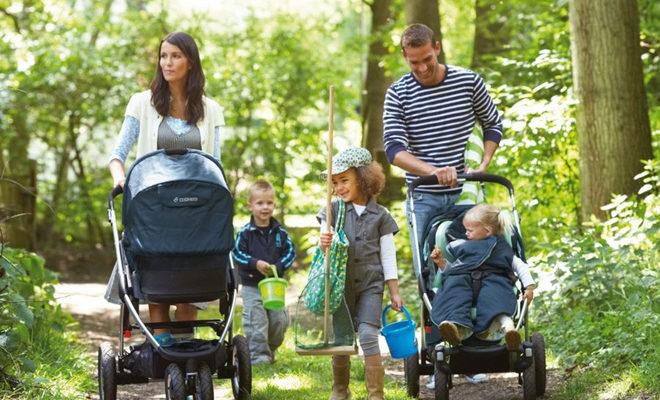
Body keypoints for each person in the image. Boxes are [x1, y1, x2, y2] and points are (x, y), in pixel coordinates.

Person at [106, 31, 225, 346]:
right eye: (163, 56)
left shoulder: (211, 109)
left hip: (195, 214)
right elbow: (117, 155)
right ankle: (163, 350)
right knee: (158, 287)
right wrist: (121, 179)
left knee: (190, 290)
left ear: (190, 62)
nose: (167, 63)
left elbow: (215, 165)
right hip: (154, 212)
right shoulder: (141, 103)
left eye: (175, 56)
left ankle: (185, 358)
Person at [382, 23, 504, 279]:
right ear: (405, 56)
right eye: (414, 62)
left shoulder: (468, 81)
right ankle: (434, 319)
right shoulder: (397, 94)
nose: (422, 68)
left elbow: (493, 123)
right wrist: (434, 171)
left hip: (467, 192)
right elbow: (394, 150)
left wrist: (484, 164)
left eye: (427, 59)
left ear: (437, 48)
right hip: (424, 197)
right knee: (428, 269)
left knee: (479, 261)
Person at [318, 147, 402, 400]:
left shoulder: (382, 216)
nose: (338, 187)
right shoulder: (332, 210)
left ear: (364, 179)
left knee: (367, 335)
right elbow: (322, 243)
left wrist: (395, 291)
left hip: (370, 286)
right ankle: (340, 389)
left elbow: (388, 256)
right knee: (342, 339)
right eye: (335, 182)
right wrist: (323, 242)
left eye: (344, 180)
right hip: (340, 286)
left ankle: (376, 394)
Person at [429, 204, 536, 351]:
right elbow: (454, 270)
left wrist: (529, 287)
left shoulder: (501, 246)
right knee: (454, 293)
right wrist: (441, 262)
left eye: (470, 230)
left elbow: (520, 266)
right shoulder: (463, 245)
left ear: (487, 231)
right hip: (463, 279)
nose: (465, 233)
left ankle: (507, 327)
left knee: (495, 297)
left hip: (493, 278)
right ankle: (455, 326)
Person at [231, 180, 296, 365]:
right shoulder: (245, 233)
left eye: (269, 203)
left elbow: (291, 252)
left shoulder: (280, 233)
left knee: (278, 321)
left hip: (274, 286)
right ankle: (259, 358)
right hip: (253, 286)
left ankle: (270, 349)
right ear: (250, 205)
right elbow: (237, 253)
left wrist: (279, 265)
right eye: (260, 203)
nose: (265, 207)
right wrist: (254, 263)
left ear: (274, 204)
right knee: (256, 323)